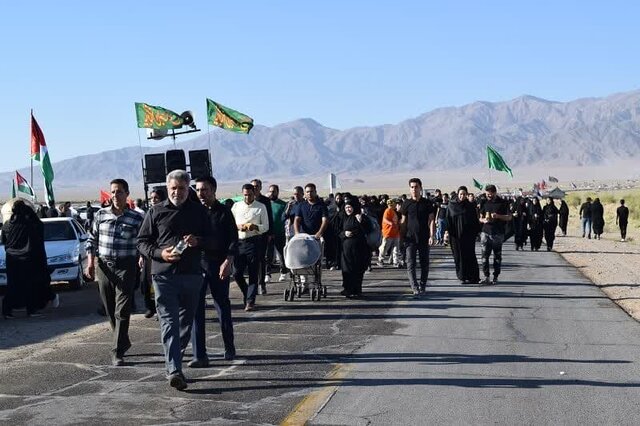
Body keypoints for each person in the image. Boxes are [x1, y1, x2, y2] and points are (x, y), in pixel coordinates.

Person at [137, 169, 213, 391]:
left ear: (188, 188)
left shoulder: (199, 211)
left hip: (191, 275)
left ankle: (173, 362)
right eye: (173, 188)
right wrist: (161, 254)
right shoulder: (156, 211)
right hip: (163, 276)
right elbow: (142, 242)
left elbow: (212, 239)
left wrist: (197, 241)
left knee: (185, 324)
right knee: (169, 322)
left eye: (181, 188)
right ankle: (174, 370)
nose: (177, 192)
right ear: (167, 188)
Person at [85, 179, 144, 366]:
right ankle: (122, 340)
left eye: (119, 192)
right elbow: (91, 239)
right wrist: (90, 263)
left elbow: (143, 241)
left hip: (126, 266)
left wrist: (142, 256)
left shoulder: (136, 218)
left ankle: (117, 351)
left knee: (122, 309)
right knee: (110, 309)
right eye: (112, 192)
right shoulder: (100, 215)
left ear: (127, 194)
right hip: (104, 267)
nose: (115, 196)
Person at [189, 176, 238, 368]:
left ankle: (229, 347)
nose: (201, 193)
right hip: (197, 265)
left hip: (219, 265)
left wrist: (228, 261)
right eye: (199, 190)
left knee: (222, 307)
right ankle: (199, 355)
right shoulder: (193, 213)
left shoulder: (224, 212)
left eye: (205, 190)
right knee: (196, 310)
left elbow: (233, 239)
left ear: (214, 190)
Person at [2, 199, 57, 319]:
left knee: (13, 286)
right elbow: (38, 231)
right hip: (28, 260)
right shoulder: (29, 224)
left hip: (12, 260)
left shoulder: (8, 224)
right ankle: (31, 310)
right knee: (30, 286)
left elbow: (5, 241)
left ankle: (7, 310)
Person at [231, 183, 270, 311]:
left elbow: (266, 226)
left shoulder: (261, 207)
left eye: (250, 195)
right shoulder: (236, 206)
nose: (247, 197)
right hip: (239, 242)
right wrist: (238, 227)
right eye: (245, 195)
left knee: (253, 272)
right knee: (236, 273)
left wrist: (255, 227)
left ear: (254, 193)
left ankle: (250, 301)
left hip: (254, 242)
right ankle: (247, 291)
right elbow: (230, 223)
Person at [400, 178, 435, 295]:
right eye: (412, 187)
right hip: (410, 238)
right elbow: (403, 221)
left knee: (424, 263)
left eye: (416, 187)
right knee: (411, 263)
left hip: (424, 237)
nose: (414, 189)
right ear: (409, 189)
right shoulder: (406, 204)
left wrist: (432, 235)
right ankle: (414, 287)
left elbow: (431, 220)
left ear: (420, 188)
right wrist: (401, 237)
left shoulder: (427, 203)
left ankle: (423, 285)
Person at [294, 183, 329, 289]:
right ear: (305, 193)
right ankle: (304, 284)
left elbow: (325, 220)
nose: (309, 194)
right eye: (307, 192)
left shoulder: (321, 205)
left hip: (316, 237)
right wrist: (296, 232)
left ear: (315, 192)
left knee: (317, 262)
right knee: (303, 260)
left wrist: (319, 232)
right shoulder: (301, 205)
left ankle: (316, 282)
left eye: (311, 191)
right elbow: (297, 219)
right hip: (304, 238)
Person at [446, 186, 481, 284]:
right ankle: (462, 276)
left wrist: (476, 232)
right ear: (458, 194)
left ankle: (473, 277)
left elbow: (474, 220)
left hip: (468, 235)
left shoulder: (470, 206)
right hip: (455, 235)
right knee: (458, 255)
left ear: (467, 195)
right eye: (461, 194)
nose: (462, 196)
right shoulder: (451, 205)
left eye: (464, 194)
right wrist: (447, 232)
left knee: (469, 255)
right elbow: (448, 220)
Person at [478, 184, 512, 285]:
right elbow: (480, 217)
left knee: (497, 256)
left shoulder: (503, 203)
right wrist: (483, 220)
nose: (488, 195)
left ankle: (495, 276)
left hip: (498, 233)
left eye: (490, 194)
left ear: (495, 193)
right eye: (487, 194)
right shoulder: (484, 202)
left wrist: (498, 216)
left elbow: (509, 217)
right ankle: (486, 276)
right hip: (486, 232)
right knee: (484, 256)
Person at [339, 198, 372, 297]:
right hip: (346, 249)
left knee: (358, 269)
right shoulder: (343, 218)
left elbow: (368, 230)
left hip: (359, 248)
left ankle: (357, 290)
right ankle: (347, 289)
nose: (348, 209)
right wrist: (345, 234)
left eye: (350, 207)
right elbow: (338, 232)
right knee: (347, 269)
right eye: (346, 207)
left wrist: (361, 221)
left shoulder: (361, 217)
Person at [250, 179, 273, 295]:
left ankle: (261, 284)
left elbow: (269, 217)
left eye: (257, 186)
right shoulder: (247, 200)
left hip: (262, 234)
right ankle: (252, 285)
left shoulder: (265, 201)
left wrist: (270, 233)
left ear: (260, 187)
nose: (255, 188)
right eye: (253, 186)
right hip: (249, 235)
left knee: (261, 259)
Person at [265, 184, 288, 282]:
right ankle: (267, 274)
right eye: (270, 191)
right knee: (267, 255)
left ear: (277, 192)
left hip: (279, 233)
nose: (271, 193)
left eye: (273, 191)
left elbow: (286, 218)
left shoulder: (283, 204)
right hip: (268, 233)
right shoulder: (265, 204)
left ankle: (283, 272)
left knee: (281, 254)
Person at [378, 198, 400, 267]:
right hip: (388, 233)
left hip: (395, 233)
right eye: (395, 203)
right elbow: (385, 219)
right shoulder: (387, 211)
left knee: (396, 248)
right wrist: (391, 223)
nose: (396, 205)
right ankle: (380, 259)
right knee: (385, 247)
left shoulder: (393, 211)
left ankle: (395, 262)